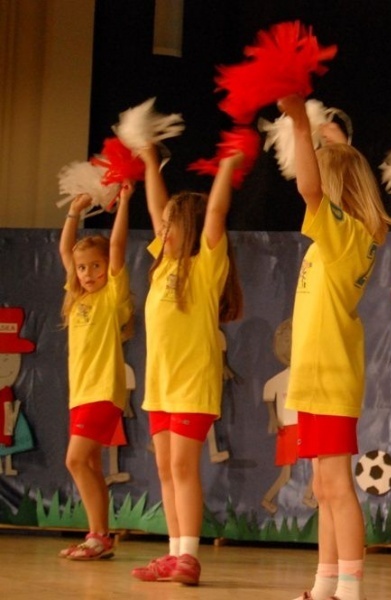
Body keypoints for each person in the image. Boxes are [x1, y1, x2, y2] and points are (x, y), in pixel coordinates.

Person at [278, 93, 391, 600]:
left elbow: (309, 186)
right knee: (325, 488)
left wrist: (302, 127)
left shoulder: (344, 235)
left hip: (328, 374)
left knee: (338, 489)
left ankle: (348, 590)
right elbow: (337, 177)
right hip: (316, 376)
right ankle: (325, 586)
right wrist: (335, 142)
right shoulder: (347, 235)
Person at [130, 145, 244, 586]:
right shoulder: (163, 266)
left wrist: (229, 167)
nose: (163, 228)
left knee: (182, 468)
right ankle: (175, 552)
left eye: (172, 225)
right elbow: (157, 207)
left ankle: (190, 556)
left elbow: (215, 211)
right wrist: (147, 165)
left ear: (190, 229)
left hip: (192, 384)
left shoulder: (205, 264)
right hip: (160, 386)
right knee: (163, 469)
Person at [56, 188, 134, 560]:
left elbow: (117, 248)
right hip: (82, 394)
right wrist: (73, 212)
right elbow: (66, 253)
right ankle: (99, 537)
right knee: (88, 464)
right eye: (83, 267)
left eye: (96, 266)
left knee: (75, 460)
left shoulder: (110, 297)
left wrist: (125, 205)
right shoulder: (79, 298)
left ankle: (99, 535)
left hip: (103, 392)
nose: (88, 273)